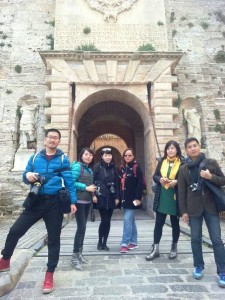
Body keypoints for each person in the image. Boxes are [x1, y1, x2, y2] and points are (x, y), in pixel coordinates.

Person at [0, 128, 77, 294]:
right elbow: (25, 175)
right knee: (15, 230)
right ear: (45, 140)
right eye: (50, 137)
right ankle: (5, 259)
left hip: (54, 203)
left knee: (54, 239)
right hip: (35, 201)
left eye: (56, 138)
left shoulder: (63, 159)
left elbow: (69, 181)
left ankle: (49, 274)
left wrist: (73, 201)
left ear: (58, 141)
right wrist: (27, 176)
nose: (52, 140)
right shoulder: (35, 157)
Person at [178, 137, 225, 287]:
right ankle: (198, 266)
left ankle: (222, 271)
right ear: (186, 150)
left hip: (210, 207)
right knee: (195, 239)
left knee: (217, 240)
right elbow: (181, 192)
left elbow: (223, 180)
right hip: (193, 209)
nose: (193, 148)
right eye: (189, 147)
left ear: (199, 146)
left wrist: (210, 176)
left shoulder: (210, 163)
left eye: (195, 145)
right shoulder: (183, 169)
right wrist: (183, 211)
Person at [145, 140, 183, 261]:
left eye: (172, 148)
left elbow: (187, 179)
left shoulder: (182, 162)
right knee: (159, 223)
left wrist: (177, 182)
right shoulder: (162, 161)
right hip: (163, 196)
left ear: (177, 149)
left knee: (175, 224)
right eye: (168, 148)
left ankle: (174, 247)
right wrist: (160, 179)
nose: (170, 150)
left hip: (175, 197)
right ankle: (156, 248)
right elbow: (155, 176)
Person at [70, 147, 96, 271]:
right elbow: (71, 182)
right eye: (86, 154)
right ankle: (74, 256)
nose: (88, 156)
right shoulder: (77, 167)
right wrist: (86, 188)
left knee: (83, 228)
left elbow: (90, 186)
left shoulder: (89, 170)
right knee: (81, 228)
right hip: (79, 201)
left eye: (90, 155)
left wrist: (93, 193)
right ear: (81, 155)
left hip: (86, 201)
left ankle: (79, 253)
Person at [93, 147, 120, 251]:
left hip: (112, 197)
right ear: (102, 156)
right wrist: (94, 195)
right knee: (104, 220)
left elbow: (117, 183)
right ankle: (100, 241)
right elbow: (93, 181)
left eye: (109, 155)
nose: (108, 157)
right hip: (101, 197)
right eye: (106, 155)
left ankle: (105, 242)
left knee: (108, 221)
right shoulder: (97, 167)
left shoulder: (114, 168)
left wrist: (117, 197)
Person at [118, 148, 143, 253]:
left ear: (133, 156)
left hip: (133, 199)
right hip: (125, 199)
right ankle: (134, 241)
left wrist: (138, 198)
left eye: (129, 155)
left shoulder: (137, 168)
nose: (127, 157)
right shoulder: (124, 168)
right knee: (131, 221)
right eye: (125, 155)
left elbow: (140, 184)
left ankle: (124, 243)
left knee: (127, 220)